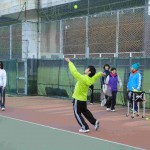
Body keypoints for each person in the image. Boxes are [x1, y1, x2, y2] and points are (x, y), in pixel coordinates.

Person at [65, 58, 104, 133]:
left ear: (89, 72)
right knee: (85, 111)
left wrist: (70, 62)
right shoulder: (90, 80)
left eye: (87, 69)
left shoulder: (82, 78)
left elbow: (74, 72)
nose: (85, 69)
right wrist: (100, 74)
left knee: (77, 113)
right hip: (83, 100)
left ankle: (84, 127)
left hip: (77, 99)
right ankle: (95, 122)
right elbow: (95, 77)